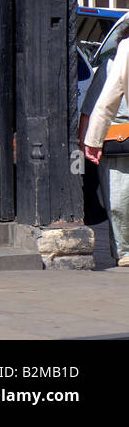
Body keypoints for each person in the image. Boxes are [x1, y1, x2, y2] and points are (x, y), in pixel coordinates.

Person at [82, 36, 129, 266]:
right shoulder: (113, 61)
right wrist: (90, 141)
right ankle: (124, 251)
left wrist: (90, 140)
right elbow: (98, 103)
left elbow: (104, 102)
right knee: (118, 197)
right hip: (118, 140)